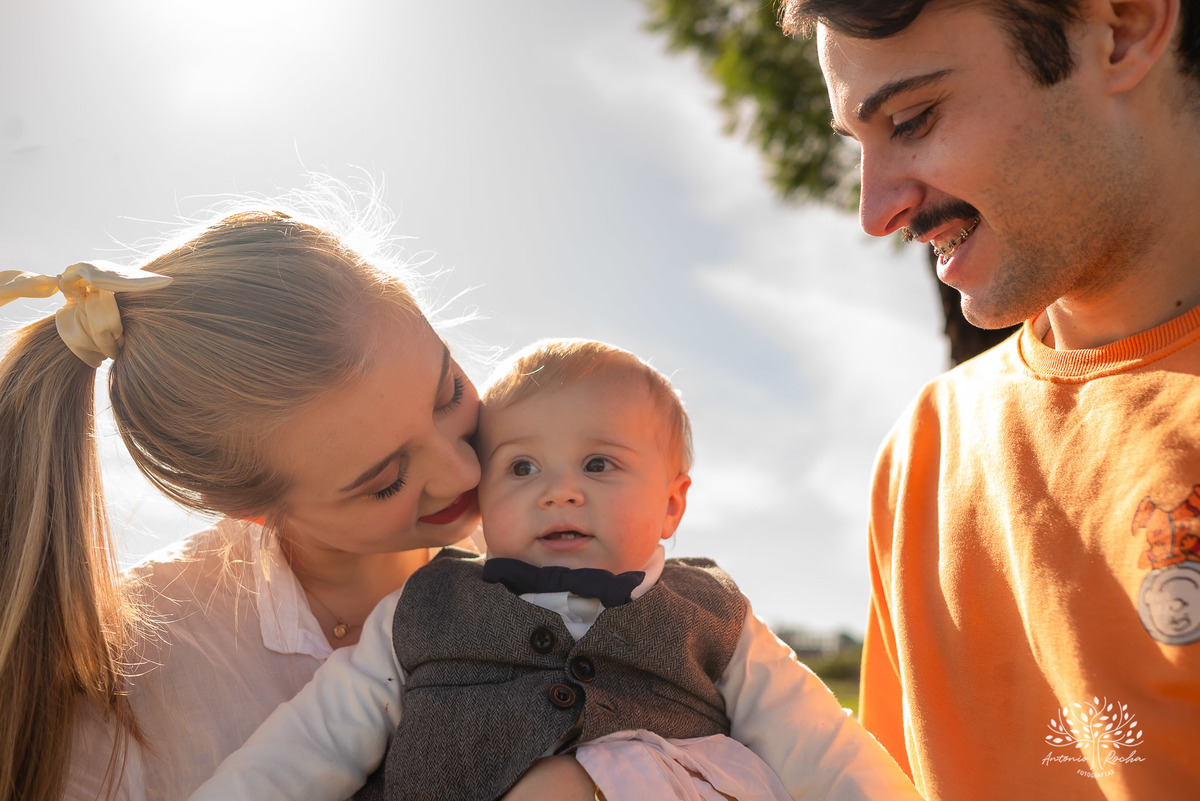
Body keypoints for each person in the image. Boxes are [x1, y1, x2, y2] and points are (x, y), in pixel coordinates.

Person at [0, 208, 594, 801]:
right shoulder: (127, 688)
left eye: (449, 393)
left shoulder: (568, 554)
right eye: (386, 479)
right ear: (255, 511)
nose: (464, 470)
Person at [188, 339, 921, 801]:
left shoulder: (712, 612)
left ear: (671, 505)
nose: (559, 489)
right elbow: (311, 744)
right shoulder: (424, 609)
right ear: (483, 489)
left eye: (599, 463)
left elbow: (820, 744)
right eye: (522, 465)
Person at [780, 0, 1200, 798]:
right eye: (858, 146)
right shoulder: (924, 455)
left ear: (1123, 28)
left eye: (913, 118)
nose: (877, 212)